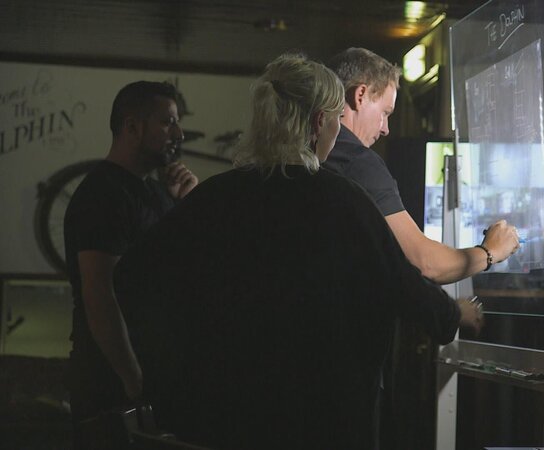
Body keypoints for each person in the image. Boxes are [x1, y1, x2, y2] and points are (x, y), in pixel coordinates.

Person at [112, 53, 483, 450]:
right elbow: (399, 282)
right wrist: (453, 313)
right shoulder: (343, 201)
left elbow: (132, 276)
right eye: (337, 121)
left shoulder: (213, 197)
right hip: (323, 416)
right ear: (319, 123)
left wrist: (176, 365)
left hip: (225, 416)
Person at [63, 80, 198, 444]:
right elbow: (100, 293)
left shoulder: (153, 192)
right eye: (167, 122)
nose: (178, 132)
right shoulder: (102, 195)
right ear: (132, 127)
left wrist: (183, 205)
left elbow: (179, 271)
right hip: (111, 384)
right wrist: (133, 380)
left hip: (148, 377)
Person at [323, 47, 520, 284]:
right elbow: (426, 263)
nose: (386, 129)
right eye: (385, 113)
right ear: (361, 95)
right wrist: (491, 252)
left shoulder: (309, 149)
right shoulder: (356, 162)